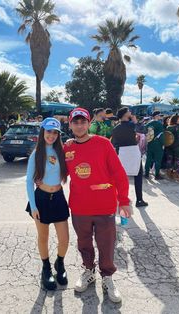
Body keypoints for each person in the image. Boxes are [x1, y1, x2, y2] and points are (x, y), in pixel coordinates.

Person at [64, 108, 131, 303]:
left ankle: (107, 277)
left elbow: (119, 174)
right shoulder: (67, 148)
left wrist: (124, 201)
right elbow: (53, 167)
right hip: (79, 207)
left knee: (106, 244)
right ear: (70, 125)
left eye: (82, 122)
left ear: (88, 122)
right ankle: (88, 271)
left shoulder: (103, 144)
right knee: (84, 243)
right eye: (75, 122)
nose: (79, 125)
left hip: (104, 207)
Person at [26, 117, 69, 291]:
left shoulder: (62, 151)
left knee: (64, 239)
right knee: (43, 237)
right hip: (41, 200)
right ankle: (46, 268)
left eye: (55, 132)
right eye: (48, 131)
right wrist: (33, 206)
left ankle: (60, 263)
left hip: (58, 197)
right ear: (43, 131)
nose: (51, 135)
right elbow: (29, 181)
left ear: (58, 134)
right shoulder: (36, 154)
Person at [111, 107, 148, 208]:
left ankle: (120, 199)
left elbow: (114, 143)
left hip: (122, 153)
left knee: (121, 177)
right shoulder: (133, 125)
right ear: (125, 114)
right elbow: (144, 131)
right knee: (138, 176)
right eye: (128, 111)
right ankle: (139, 200)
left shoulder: (116, 128)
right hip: (133, 152)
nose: (130, 112)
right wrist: (136, 122)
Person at [145, 111, 165, 180]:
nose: (160, 117)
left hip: (150, 144)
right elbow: (161, 136)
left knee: (148, 159)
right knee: (158, 160)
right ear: (156, 116)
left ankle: (146, 174)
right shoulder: (159, 124)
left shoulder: (148, 123)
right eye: (159, 115)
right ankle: (157, 175)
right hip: (158, 145)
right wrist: (163, 144)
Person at [165, 114, 179, 180]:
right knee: (177, 160)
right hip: (176, 146)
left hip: (169, 146)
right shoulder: (177, 127)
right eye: (178, 119)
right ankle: (175, 174)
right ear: (175, 120)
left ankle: (168, 173)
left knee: (169, 160)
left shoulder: (168, 127)